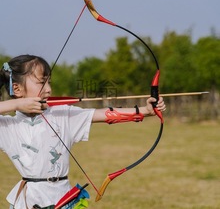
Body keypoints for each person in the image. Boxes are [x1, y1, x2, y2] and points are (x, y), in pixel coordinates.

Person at [0, 54, 166, 209]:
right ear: (17, 89)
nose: (49, 89)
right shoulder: (8, 126)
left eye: (50, 82)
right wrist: (15, 105)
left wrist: (144, 110)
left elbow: (104, 114)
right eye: (42, 83)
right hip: (30, 201)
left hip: (63, 198)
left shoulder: (62, 114)